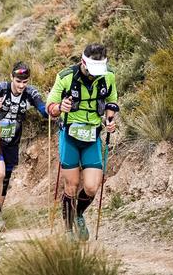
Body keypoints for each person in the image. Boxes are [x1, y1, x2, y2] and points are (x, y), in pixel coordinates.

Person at [46, 43, 119, 240]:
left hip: (92, 137)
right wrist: (61, 106)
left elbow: (112, 102)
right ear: (83, 62)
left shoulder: (108, 76)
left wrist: (110, 120)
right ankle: (68, 229)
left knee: (91, 187)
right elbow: (50, 108)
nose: (95, 75)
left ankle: (78, 214)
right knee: (71, 185)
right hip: (69, 137)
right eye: (92, 70)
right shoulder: (65, 77)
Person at [0, 62, 48, 229]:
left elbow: (42, 108)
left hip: (12, 140)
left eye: (24, 81)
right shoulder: (0, 89)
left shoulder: (31, 93)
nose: (21, 85)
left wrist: (53, 111)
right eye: (18, 81)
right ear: (11, 77)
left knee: (6, 178)